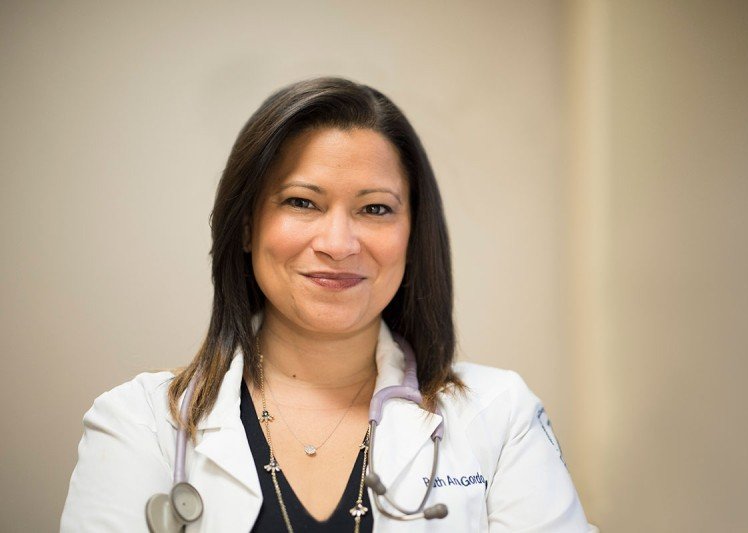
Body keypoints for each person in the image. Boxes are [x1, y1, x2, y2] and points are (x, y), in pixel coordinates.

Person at [61, 77, 594, 532]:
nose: (338, 243)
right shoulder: (144, 424)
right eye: (302, 202)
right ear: (247, 225)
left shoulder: (499, 416)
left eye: (376, 209)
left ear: (413, 234)